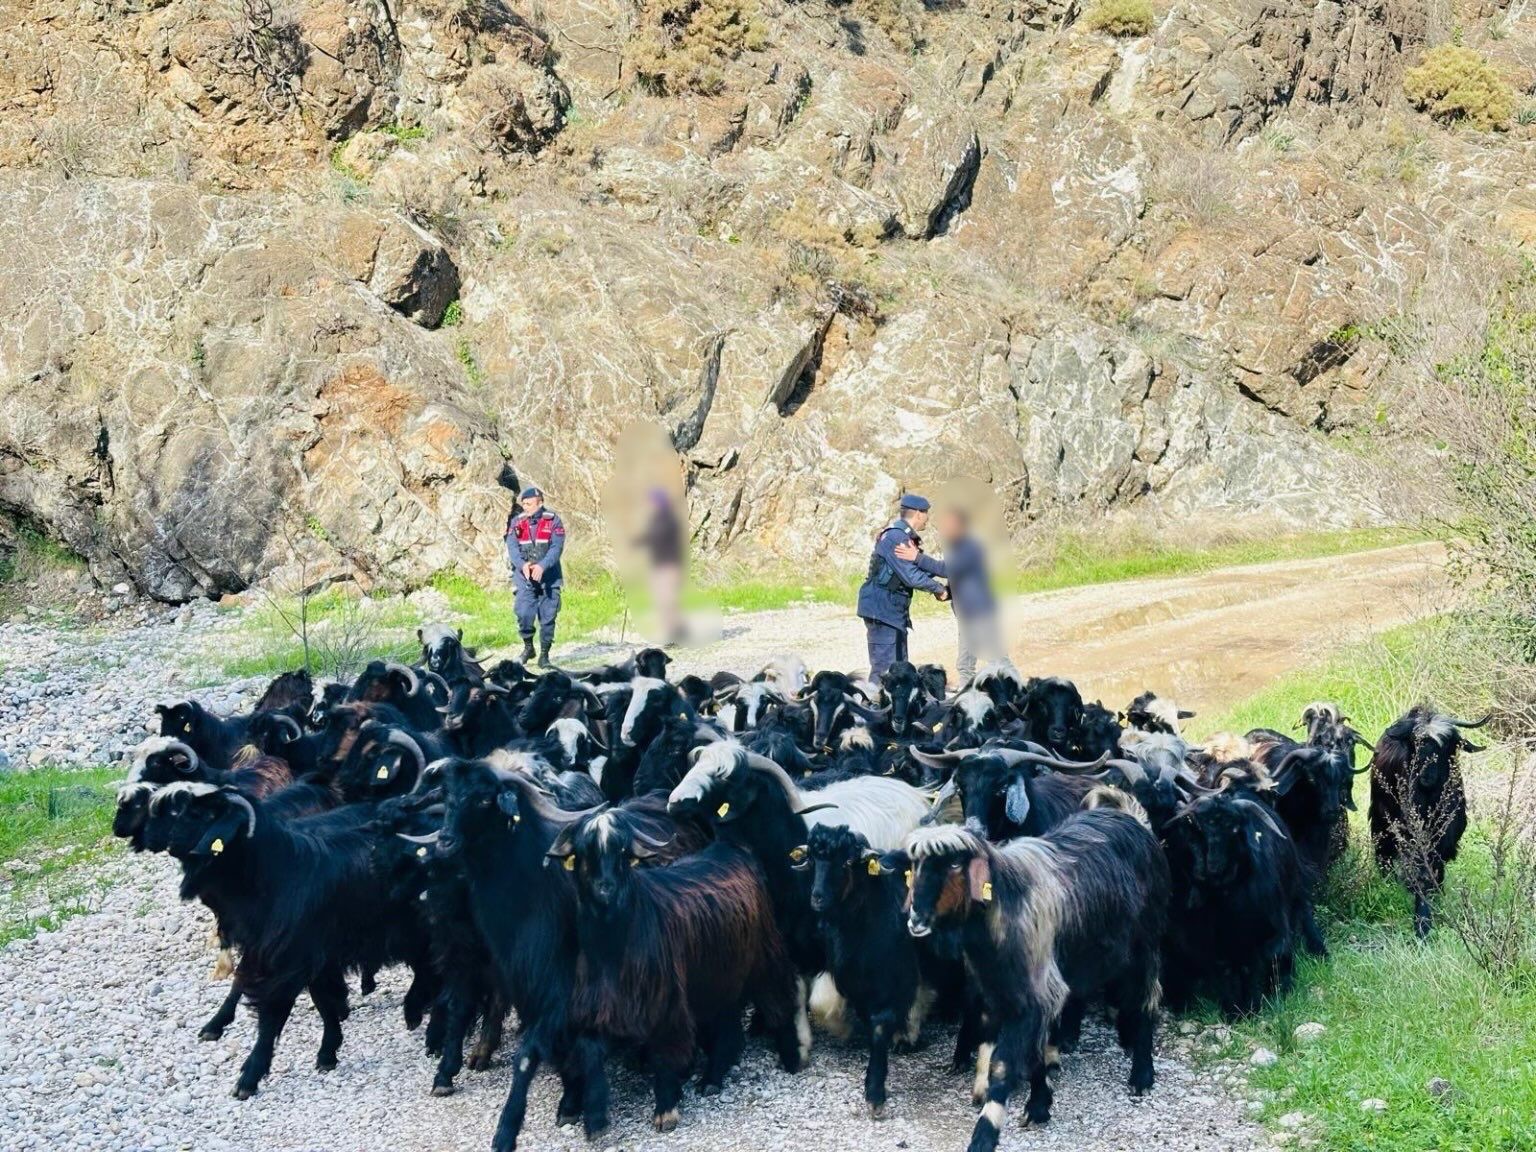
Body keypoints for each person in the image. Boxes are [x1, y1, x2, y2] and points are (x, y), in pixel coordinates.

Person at [896, 507, 1008, 681]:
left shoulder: (971, 547)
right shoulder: (957, 548)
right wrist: (947, 593)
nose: (943, 529)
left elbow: (948, 569)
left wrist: (916, 557)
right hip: (966, 614)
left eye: (948, 526)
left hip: (980, 613)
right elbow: (961, 578)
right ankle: (967, 696)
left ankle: (1012, 692)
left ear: (961, 526)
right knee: (965, 665)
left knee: (997, 661)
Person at [856, 493, 950, 679]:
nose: (927, 518)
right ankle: (874, 698)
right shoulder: (896, 538)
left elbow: (917, 568)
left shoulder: (902, 536)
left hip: (891, 611)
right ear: (918, 514)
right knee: (884, 672)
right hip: (882, 611)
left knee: (900, 669)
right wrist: (939, 589)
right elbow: (911, 576)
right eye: (926, 513)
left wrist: (950, 581)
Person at [505, 486, 566, 668]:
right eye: (523, 504)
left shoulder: (553, 521)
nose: (525, 507)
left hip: (549, 578)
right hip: (525, 577)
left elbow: (556, 548)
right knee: (523, 613)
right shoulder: (517, 522)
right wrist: (522, 565)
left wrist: (542, 565)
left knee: (548, 618)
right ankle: (528, 647)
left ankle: (544, 655)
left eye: (529, 504)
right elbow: (512, 547)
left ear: (540, 503)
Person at [635, 487, 685, 646]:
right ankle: (675, 630)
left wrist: (642, 540)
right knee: (662, 600)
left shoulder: (668, 520)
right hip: (659, 564)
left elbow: (657, 538)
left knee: (666, 600)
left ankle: (675, 632)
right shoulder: (657, 519)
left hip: (668, 565)